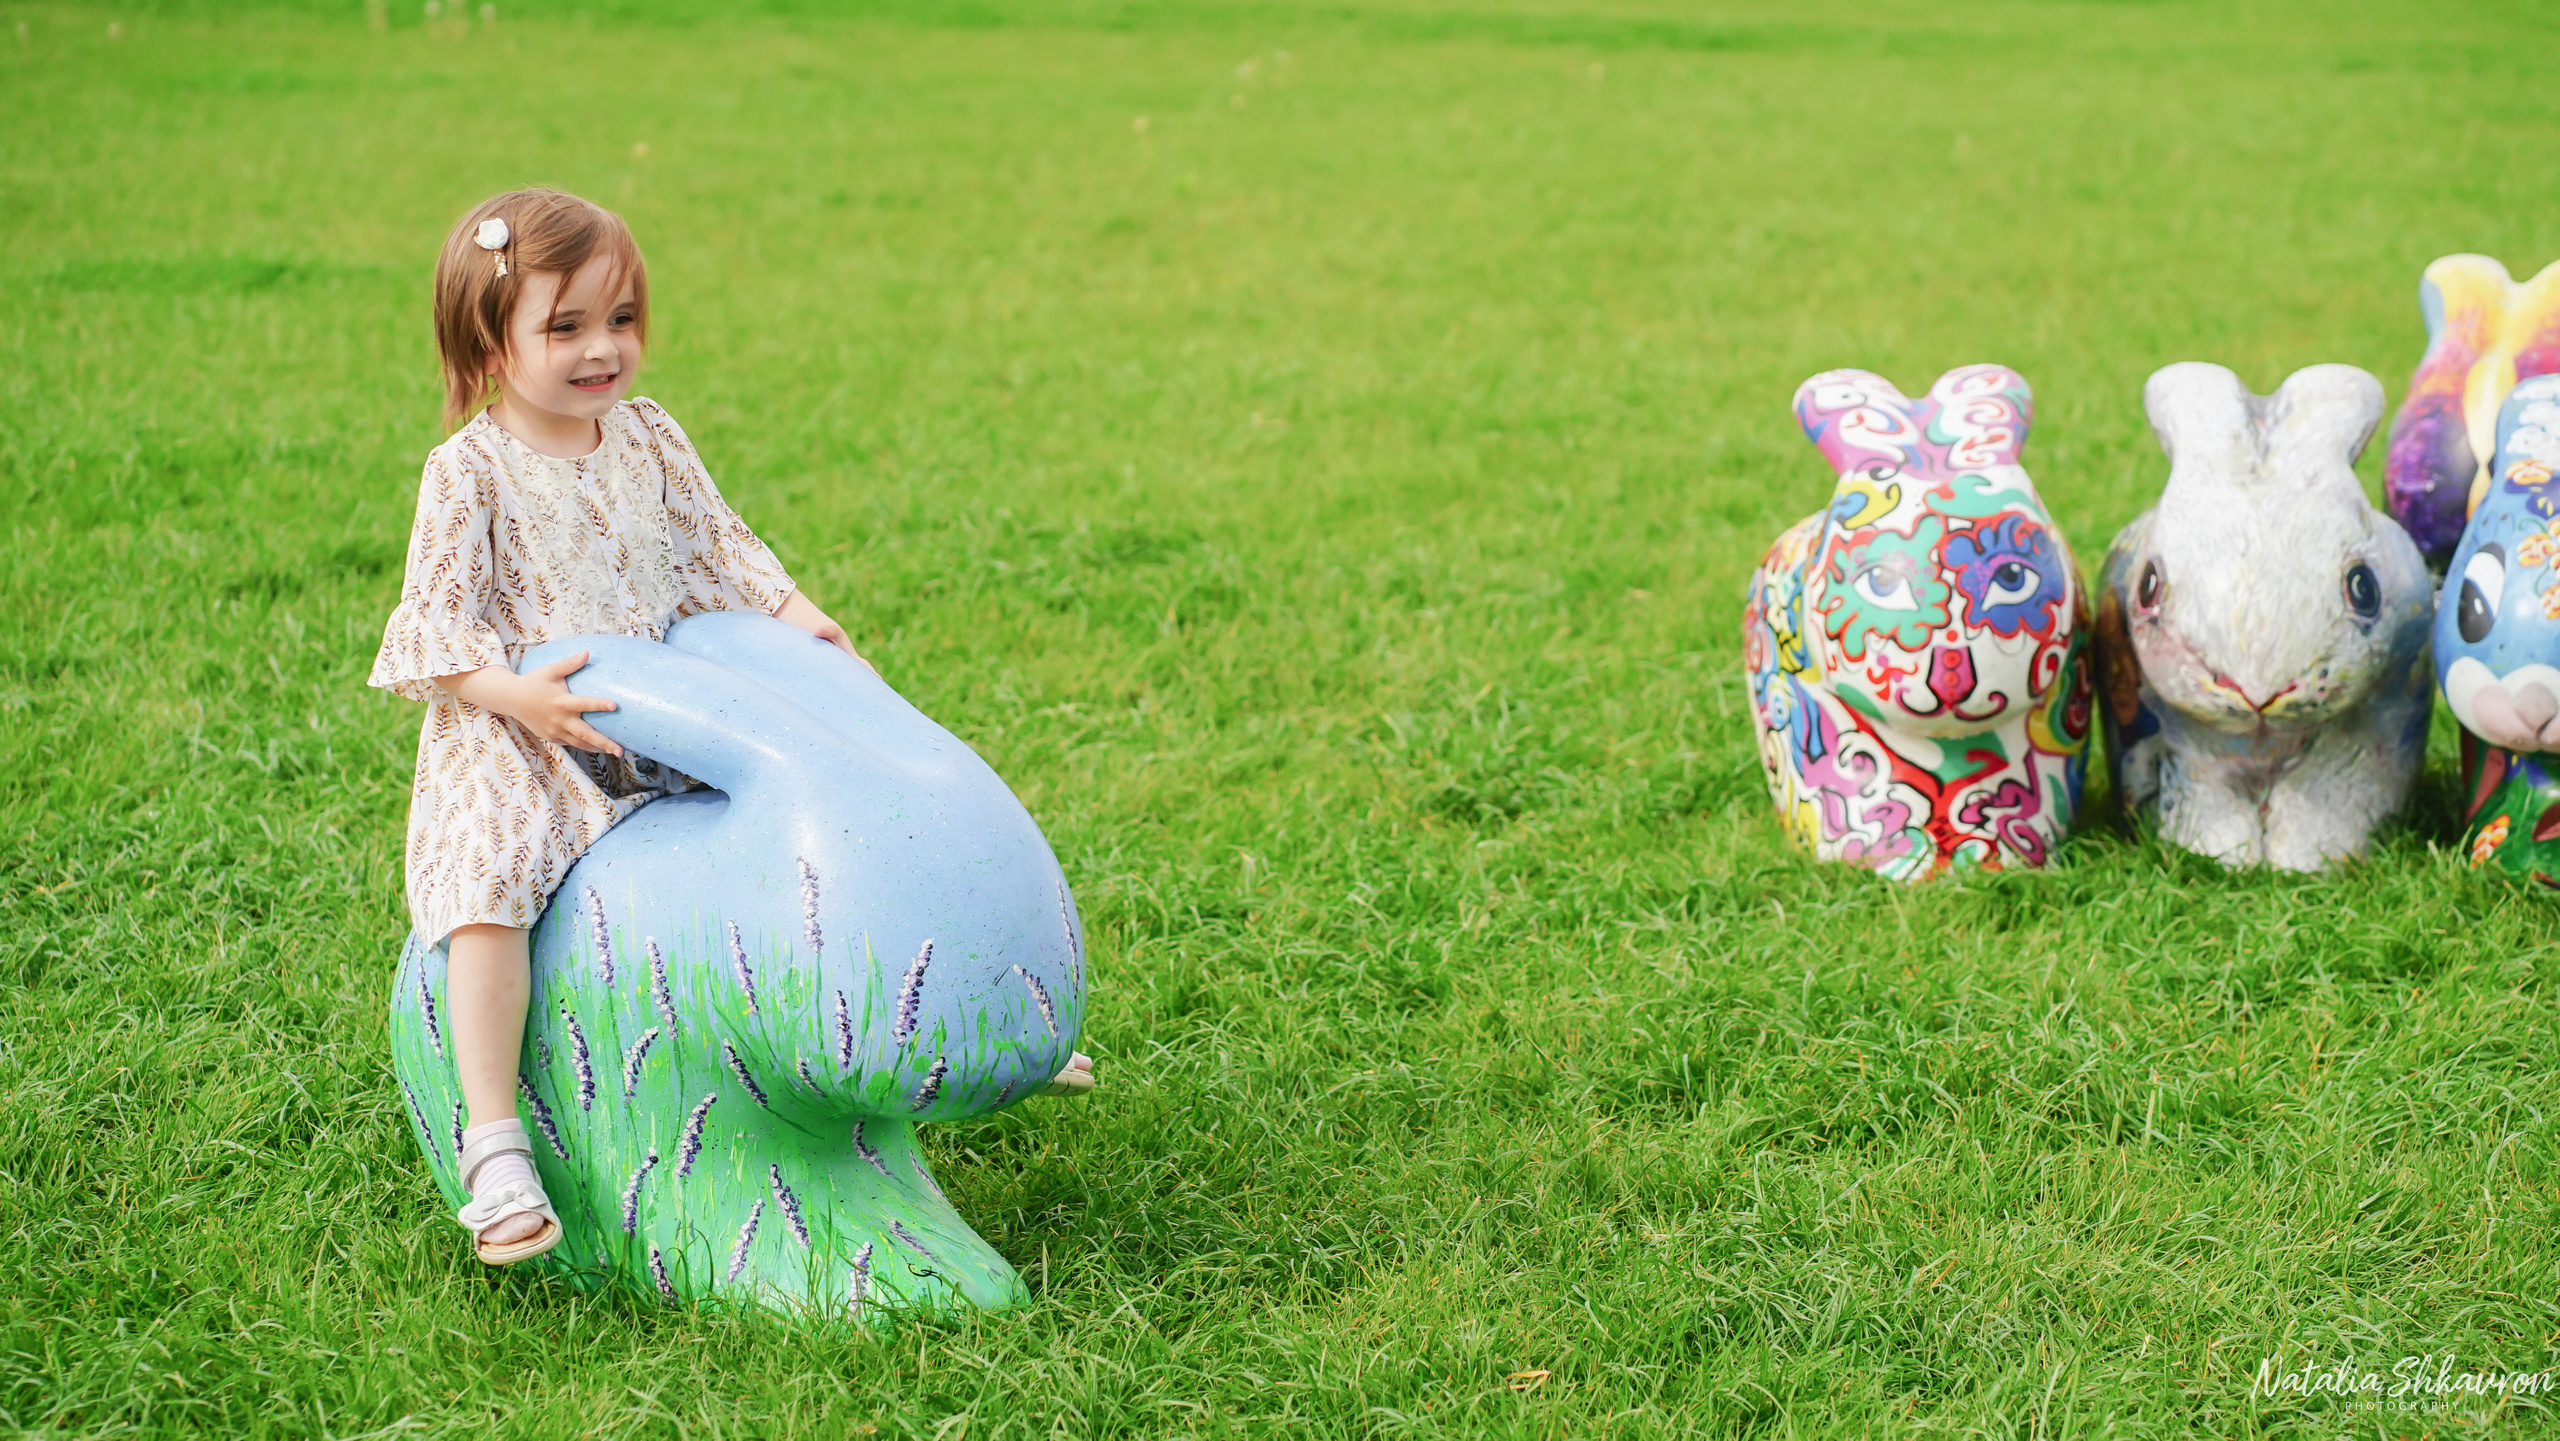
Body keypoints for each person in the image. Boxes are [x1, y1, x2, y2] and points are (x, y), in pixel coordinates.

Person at [370, 188, 1092, 1266]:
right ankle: (494, 1137)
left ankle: (963, 1028)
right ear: (488, 341)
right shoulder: (469, 471)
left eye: (619, 319)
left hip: (671, 712)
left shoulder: (649, 436)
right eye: (563, 328)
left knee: (817, 843)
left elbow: (721, 545)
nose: (602, 349)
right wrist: (519, 694)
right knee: (487, 897)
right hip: (528, 739)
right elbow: (434, 622)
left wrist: (800, 621)